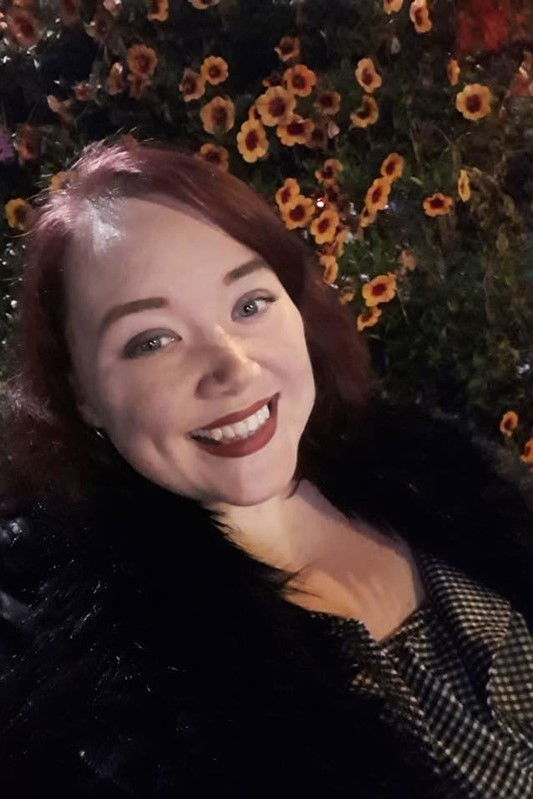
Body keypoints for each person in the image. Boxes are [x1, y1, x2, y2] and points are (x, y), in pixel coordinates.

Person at [0, 138, 531, 798]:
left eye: (249, 304)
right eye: (152, 340)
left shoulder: (431, 479)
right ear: (81, 393)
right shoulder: (93, 702)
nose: (235, 367)